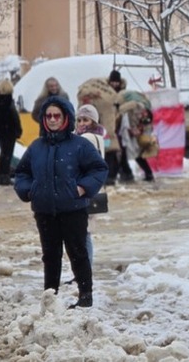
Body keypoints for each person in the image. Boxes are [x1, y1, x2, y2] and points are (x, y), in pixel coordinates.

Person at [14, 96, 108, 308]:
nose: (53, 119)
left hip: (73, 209)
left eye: (57, 115)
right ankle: (51, 295)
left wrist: (82, 187)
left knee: (78, 252)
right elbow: (21, 173)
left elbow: (99, 168)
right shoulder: (37, 147)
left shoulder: (79, 145)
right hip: (45, 210)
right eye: (49, 116)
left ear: (66, 117)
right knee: (50, 255)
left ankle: (85, 295)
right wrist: (29, 191)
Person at [74, 104, 109, 270]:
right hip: (94, 188)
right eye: (79, 119)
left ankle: (84, 270)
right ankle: (84, 269)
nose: (81, 123)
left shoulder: (85, 138)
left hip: (84, 189)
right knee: (84, 232)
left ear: (93, 121)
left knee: (83, 234)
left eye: (85, 119)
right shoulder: (99, 137)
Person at [78, 76, 120, 186]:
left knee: (108, 153)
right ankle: (106, 177)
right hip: (96, 132)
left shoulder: (109, 97)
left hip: (105, 132)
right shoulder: (87, 104)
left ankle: (110, 177)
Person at [116, 90, 156, 182]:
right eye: (144, 114)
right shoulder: (136, 106)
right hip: (124, 131)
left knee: (137, 154)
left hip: (130, 134)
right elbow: (121, 112)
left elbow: (145, 129)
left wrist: (137, 131)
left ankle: (146, 174)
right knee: (123, 153)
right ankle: (126, 174)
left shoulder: (144, 119)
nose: (143, 115)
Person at [0, 79, 23, 185]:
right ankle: (5, 176)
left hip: (0, 131)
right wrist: (18, 129)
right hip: (9, 131)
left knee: (4, 153)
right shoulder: (8, 100)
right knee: (7, 154)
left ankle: (1, 175)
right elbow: (14, 116)